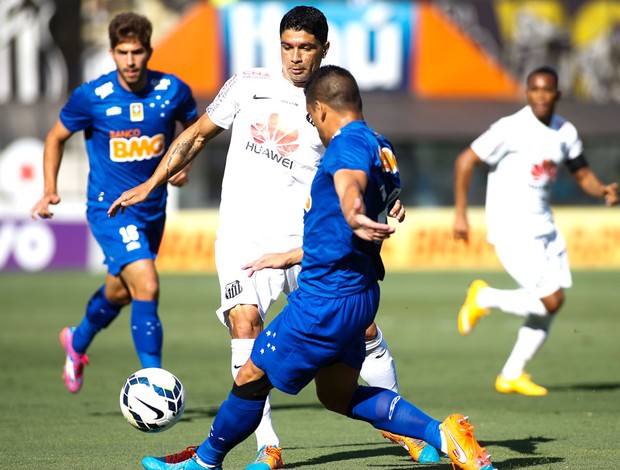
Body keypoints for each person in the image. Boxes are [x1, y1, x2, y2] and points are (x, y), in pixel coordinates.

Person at [110, 64, 496, 470]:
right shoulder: (381, 147)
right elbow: (353, 216)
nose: (312, 124)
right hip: (359, 293)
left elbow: (347, 186)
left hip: (323, 300)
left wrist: (353, 211)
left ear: (323, 109)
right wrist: (294, 254)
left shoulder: (345, 146)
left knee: (252, 376)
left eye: (312, 116)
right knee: (337, 395)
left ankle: (205, 462)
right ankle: (444, 434)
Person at [30, 12, 198, 394]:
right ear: (111, 52)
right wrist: (49, 188)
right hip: (110, 208)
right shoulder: (92, 96)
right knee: (148, 284)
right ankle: (153, 385)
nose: (131, 60)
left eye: (137, 51)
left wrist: (183, 167)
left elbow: (194, 131)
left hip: (153, 209)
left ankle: (77, 340)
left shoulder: (173, 91)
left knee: (122, 292)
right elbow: (55, 137)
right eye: (122, 52)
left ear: (149, 51)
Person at [453, 65, 618, 396]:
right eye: (535, 89)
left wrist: (601, 189)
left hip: (545, 227)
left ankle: (511, 374)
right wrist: (461, 214)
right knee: (552, 300)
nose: (541, 95)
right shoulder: (510, 128)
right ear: (527, 93)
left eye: (547, 90)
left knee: (551, 305)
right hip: (512, 227)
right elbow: (465, 161)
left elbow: (581, 173)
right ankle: (484, 296)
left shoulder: (565, 131)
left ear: (557, 93)